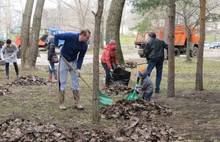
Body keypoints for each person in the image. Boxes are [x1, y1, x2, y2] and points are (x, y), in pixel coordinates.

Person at [54, 29, 91, 110]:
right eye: (87, 37)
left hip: (73, 61)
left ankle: (77, 102)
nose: (88, 39)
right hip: (64, 60)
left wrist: (78, 69)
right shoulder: (71, 36)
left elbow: (81, 57)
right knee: (62, 81)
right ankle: (62, 102)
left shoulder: (84, 45)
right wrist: (56, 47)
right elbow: (56, 36)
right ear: (82, 35)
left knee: (75, 81)